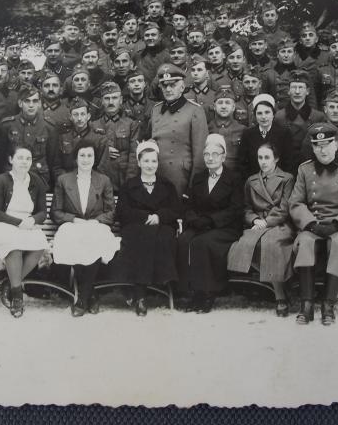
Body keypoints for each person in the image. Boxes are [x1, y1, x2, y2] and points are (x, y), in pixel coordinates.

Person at [289, 123, 338, 326]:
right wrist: (311, 224)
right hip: (313, 224)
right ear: (313, 148)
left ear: (336, 144)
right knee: (305, 243)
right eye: (317, 145)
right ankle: (306, 305)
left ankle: (328, 304)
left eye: (326, 144)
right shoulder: (305, 170)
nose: (322, 150)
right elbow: (296, 203)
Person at [110, 140, 181, 316]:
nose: (150, 165)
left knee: (162, 238)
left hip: (162, 226)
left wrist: (159, 216)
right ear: (139, 162)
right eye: (146, 161)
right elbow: (122, 211)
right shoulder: (129, 186)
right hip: (136, 226)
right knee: (141, 237)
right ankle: (141, 295)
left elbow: (176, 210)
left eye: (154, 161)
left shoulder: (167, 185)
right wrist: (144, 217)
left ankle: (144, 290)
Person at [51, 140, 120, 317]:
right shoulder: (63, 180)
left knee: (96, 239)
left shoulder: (103, 180)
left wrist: (96, 221)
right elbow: (56, 212)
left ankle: (83, 297)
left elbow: (111, 211)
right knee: (73, 239)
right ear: (75, 158)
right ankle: (91, 293)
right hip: (73, 225)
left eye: (89, 155)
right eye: (82, 155)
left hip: (96, 225)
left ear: (95, 158)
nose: (86, 159)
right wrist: (74, 220)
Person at [176, 133, 244, 313]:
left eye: (215, 154)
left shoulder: (234, 179)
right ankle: (189, 292)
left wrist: (211, 221)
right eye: (207, 154)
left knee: (202, 243)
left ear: (223, 156)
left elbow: (236, 209)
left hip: (225, 227)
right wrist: (194, 219)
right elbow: (189, 204)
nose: (210, 158)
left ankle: (207, 292)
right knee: (183, 241)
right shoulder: (198, 178)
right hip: (200, 224)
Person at [227, 143, 295, 316]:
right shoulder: (251, 181)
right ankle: (273, 285)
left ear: (276, 159)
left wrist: (267, 221)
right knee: (244, 244)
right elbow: (246, 207)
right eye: (260, 158)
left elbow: (285, 208)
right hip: (258, 224)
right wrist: (255, 219)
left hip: (279, 224)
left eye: (267, 157)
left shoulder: (287, 178)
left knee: (271, 245)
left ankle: (280, 295)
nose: (263, 162)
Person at [0, 145, 51, 318]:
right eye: (20, 158)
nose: (24, 162)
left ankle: (10, 283)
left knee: (39, 245)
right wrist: (18, 222)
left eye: (28, 159)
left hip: (27, 224)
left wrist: (32, 220)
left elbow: (43, 212)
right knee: (13, 244)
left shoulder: (36, 181)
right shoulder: (0, 180)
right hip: (2, 223)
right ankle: (17, 297)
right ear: (11, 160)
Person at [148, 64, 209, 195]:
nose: (168, 89)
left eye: (173, 85)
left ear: (182, 87)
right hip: (155, 174)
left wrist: (193, 186)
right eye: (164, 85)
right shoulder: (156, 109)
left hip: (180, 177)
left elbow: (199, 155)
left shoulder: (195, 110)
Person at [0, 85, 58, 188]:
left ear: (39, 104)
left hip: (39, 179)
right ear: (20, 103)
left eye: (35, 101)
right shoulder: (7, 125)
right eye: (27, 101)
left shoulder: (48, 127)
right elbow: (0, 157)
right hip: (12, 180)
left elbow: (52, 159)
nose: (31, 105)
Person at [272, 70, 327, 173]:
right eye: (294, 87)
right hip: (285, 169)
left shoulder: (318, 117)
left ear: (308, 91)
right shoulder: (279, 117)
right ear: (288, 91)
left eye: (301, 87)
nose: (297, 91)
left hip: (311, 170)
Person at [91, 82, 141, 194]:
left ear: (121, 100)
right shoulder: (93, 125)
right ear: (102, 101)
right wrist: (104, 150)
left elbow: (134, 156)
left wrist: (130, 182)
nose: (111, 102)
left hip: (122, 180)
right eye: (107, 98)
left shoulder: (131, 124)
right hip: (99, 181)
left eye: (114, 98)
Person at [54, 97, 110, 181]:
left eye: (83, 114)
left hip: (92, 184)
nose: (79, 118)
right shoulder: (63, 137)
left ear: (88, 116)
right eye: (76, 115)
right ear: (70, 117)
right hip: (68, 184)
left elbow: (102, 168)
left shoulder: (99, 139)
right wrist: (67, 181)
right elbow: (57, 167)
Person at [301, 90, 338, 161]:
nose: (335, 111)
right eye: (332, 107)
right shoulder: (314, 132)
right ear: (325, 109)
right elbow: (307, 158)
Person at [236, 94, 286, 179]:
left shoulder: (284, 133)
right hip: (254, 183)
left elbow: (288, 162)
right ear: (255, 115)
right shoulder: (248, 134)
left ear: (273, 114)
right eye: (259, 113)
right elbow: (242, 164)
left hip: (279, 183)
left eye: (267, 112)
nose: (263, 117)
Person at [208, 87, 245, 171]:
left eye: (227, 103)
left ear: (233, 107)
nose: (224, 106)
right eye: (220, 103)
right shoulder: (206, 129)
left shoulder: (243, 130)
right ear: (214, 106)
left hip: (235, 178)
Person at [314, 31, 338, 106]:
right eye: (334, 47)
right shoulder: (321, 70)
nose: (337, 50)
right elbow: (316, 97)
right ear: (329, 50)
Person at [182, 54, 216, 120]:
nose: (195, 73)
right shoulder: (185, 96)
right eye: (193, 70)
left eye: (199, 70)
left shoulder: (215, 95)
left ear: (207, 73)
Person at [122, 70, 157, 135]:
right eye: (132, 81)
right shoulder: (122, 107)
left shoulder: (154, 106)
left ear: (145, 84)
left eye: (140, 81)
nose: (136, 84)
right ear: (128, 85)